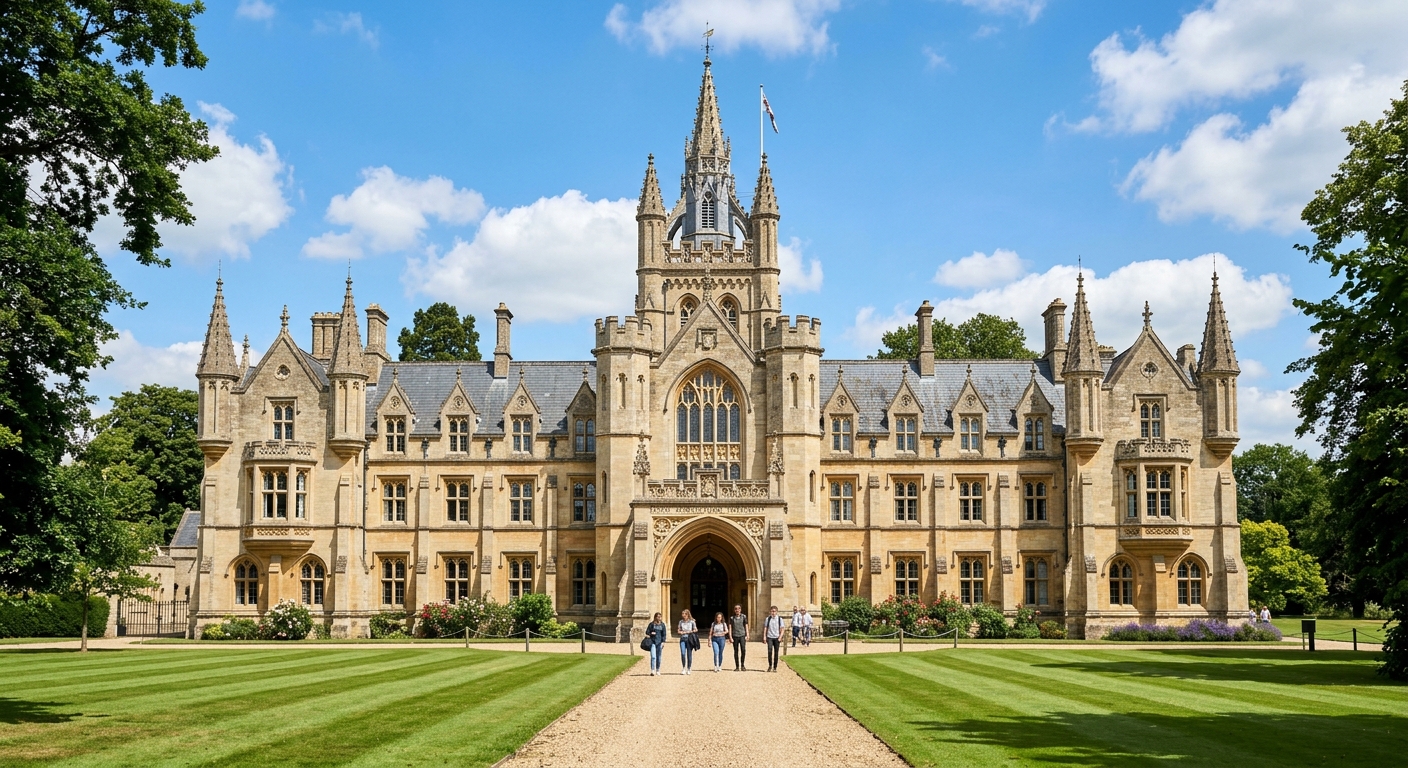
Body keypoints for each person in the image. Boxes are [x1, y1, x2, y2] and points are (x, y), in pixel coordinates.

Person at [764, 605, 785, 672]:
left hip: (776, 637)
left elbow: (782, 629)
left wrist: (780, 637)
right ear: (770, 612)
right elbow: (765, 628)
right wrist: (764, 636)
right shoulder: (768, 619)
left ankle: (775, 667)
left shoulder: (779, 619)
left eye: (774, 611)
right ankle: (770, 665)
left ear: (777, 612)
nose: (773, 613)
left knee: (776, 653)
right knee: (769, 651)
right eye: (772, 611)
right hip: (770, 637)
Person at [729, 604, 749, 671]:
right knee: (736, 651)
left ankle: (742, 665)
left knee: (743, 650)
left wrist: (747, 634)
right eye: (736, 609)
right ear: (734, 610)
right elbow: (730, 627)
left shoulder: (744, 617)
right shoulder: (732, 618)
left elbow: (746, 625)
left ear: (740, 609)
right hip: (735, 636)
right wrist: (730, 637)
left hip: (742, 635)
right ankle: (737, 666)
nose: (737, 610)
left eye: (738, 608)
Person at [678, 609, 698, 675]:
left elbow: (695, 629)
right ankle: (683, 668)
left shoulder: (692, 622)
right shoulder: (681, 622)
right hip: (682, 639)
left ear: (687, 615)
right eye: (682, 614)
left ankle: (689, 668)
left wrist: (690, 631)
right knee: (683, 653)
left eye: (684, 614)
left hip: (689, 639)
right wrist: (681, 632)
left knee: (689, 654)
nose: (683, 616)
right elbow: (678, 630)